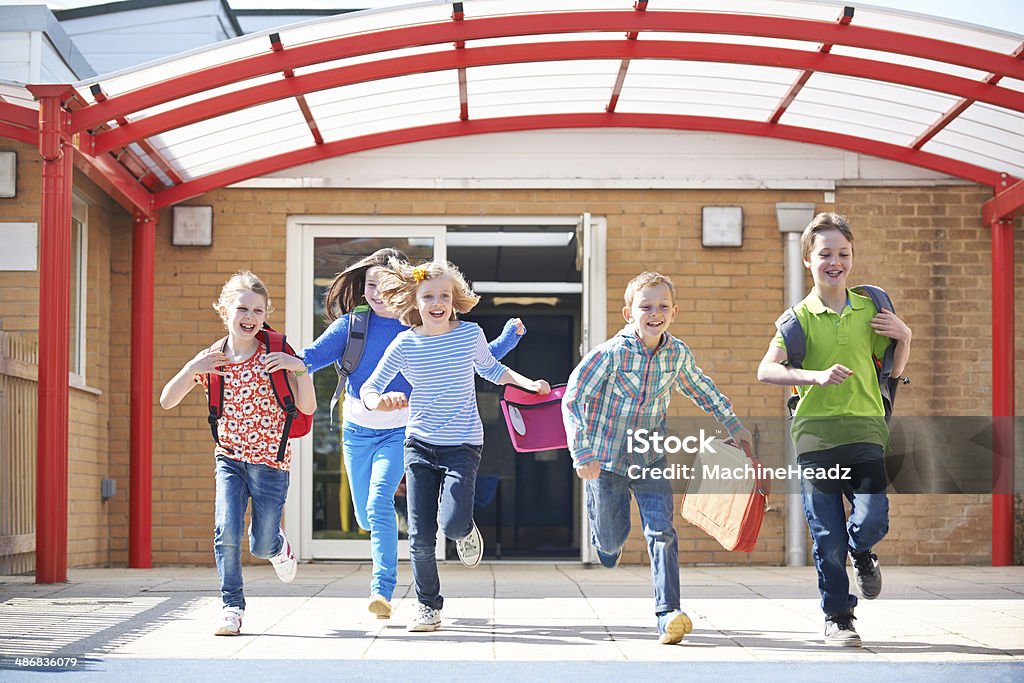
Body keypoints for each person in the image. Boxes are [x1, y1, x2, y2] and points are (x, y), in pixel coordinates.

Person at [299, 248, 524, 620]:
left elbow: (476, 359)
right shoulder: (354, 327)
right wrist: (270, 356)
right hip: (358, 428)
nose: (377, 293)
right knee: (366, 516)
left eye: (385, 286)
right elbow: (310, 357)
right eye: (371, 285)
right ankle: (407, 576)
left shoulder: (418, 324)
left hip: (406, 431)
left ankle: (384, 591)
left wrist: (507, 342)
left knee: (384, 507)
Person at [562, 271, 753, 645]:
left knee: (662, 532)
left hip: (650, 457)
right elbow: (574, 398)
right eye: (645, 306)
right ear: (628, 313)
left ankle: (668, 614)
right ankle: (605, 542)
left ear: (674, 311)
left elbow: (700, 386)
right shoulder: (611, 353)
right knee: (613, 541)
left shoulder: (677, 354)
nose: (655, 313)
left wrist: (733, 423)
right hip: (606, 460)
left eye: (663, 306)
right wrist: (581, 450)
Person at [360, 259, 550, 633]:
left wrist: (530, 384)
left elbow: (492, 369)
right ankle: (428, 606)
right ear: (415, 301)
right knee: (419, 534)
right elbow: (371, 387)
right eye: (428, 295)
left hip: (463, 443)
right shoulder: (405, 343)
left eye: (443, 295)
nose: (436, 302)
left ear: (454, 300)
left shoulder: (470, 334)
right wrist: (376, 402)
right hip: (418, 446)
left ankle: (464, 529)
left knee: (452, 524)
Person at [757, 212, 911, 647]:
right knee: (827, 537)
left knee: (871, 519)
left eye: (843, 253)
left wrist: (906, 337)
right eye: (825, 253)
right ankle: (839, 617)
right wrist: (814, 376)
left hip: (865, 433)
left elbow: (893, 372)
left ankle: (862, 553)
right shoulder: (797, 319)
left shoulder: (871, 307)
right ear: (809, 258)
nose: (835, 261)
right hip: (816, 439)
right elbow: (765, 370)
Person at [159, 270, 315, 636]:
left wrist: (301, 369)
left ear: (265, 314)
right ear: (224, 311)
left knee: (261, 542)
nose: (250, 317)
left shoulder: (277, 351)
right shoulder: (211, 359)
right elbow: (167, 400)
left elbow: (307, 407)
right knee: (226, 530)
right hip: (229, 457)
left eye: (258, 311)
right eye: (242, 308)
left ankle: (278, 545)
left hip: (271, 462)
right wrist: (191, 368)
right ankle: (232, 607)